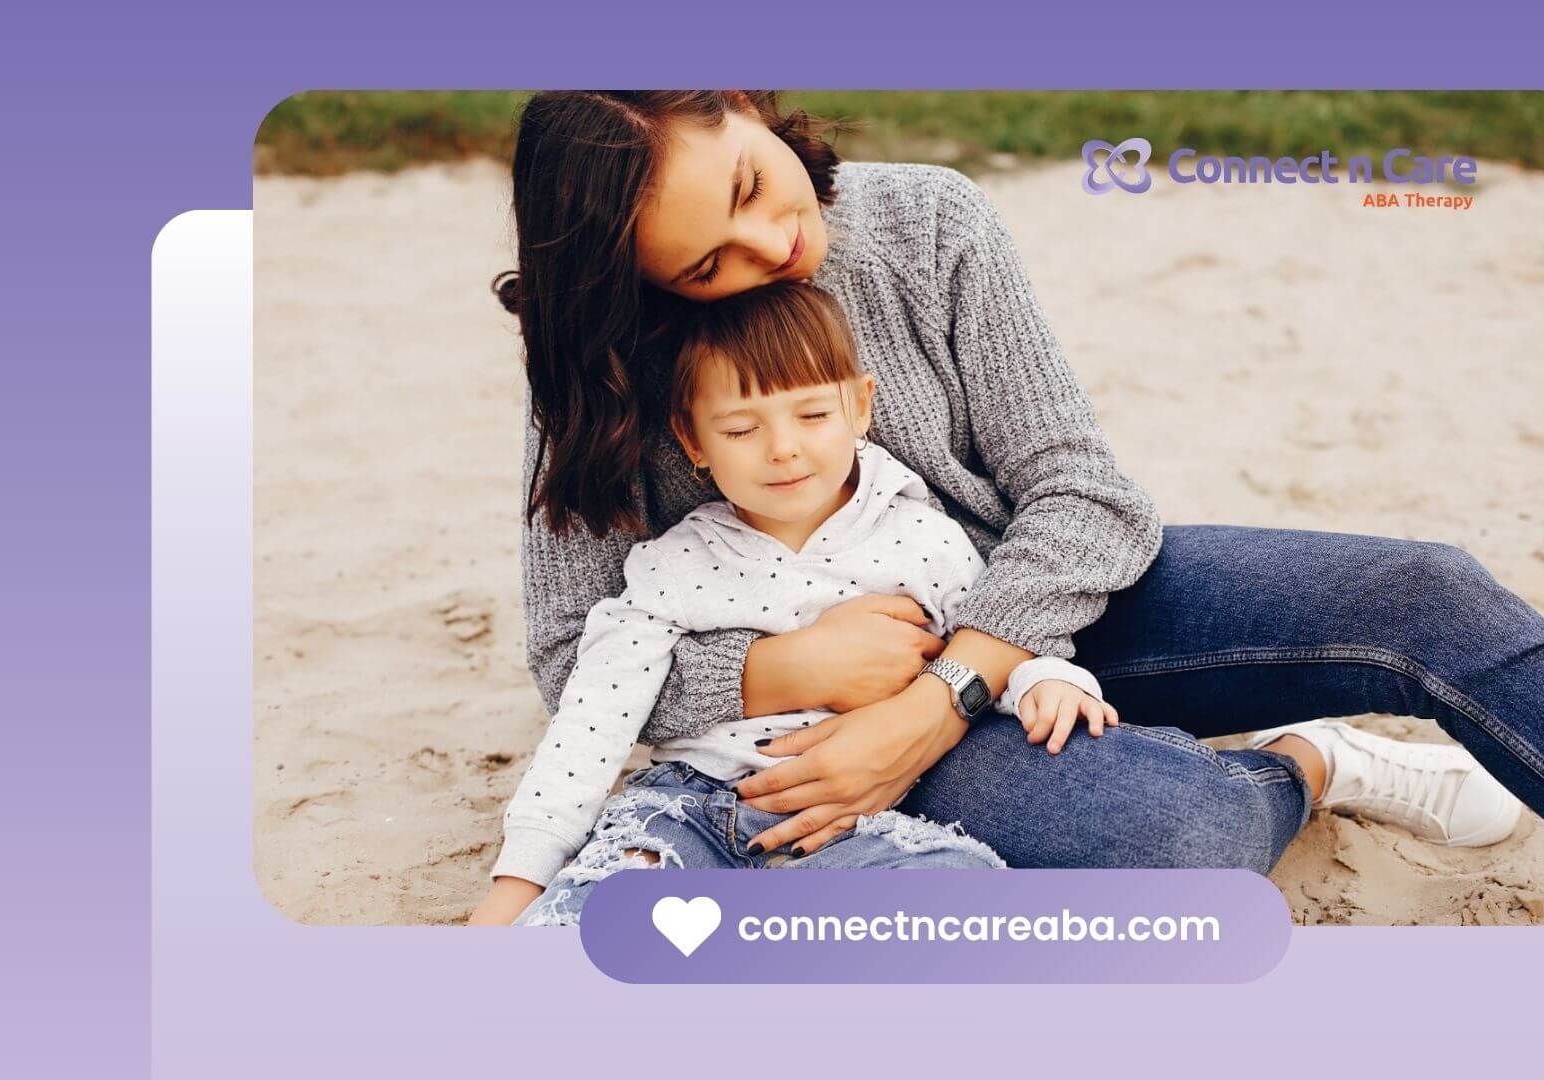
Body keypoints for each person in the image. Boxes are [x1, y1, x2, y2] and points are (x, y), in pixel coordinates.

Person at [495, 91, 1544, 884]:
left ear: (739, 102)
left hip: (1042, 618)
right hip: (832, 728)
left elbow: (1083, 495)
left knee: (1429, 593)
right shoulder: (601, 369)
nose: (770, 243)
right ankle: (1313, 762)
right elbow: (568, 654)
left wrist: (943, 697)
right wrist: (784, 669)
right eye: (705, 266)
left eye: (747, 185)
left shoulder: (930, 221)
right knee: (1180, 838)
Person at [470, 284, 1118, 926]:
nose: (782, 448)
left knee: (960, 887)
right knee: (589, 914)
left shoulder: (924, 541)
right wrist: (520, 876)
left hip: (857, 821)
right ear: (692, 440)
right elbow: (592, 722)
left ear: (859, 407)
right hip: (691, 808)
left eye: (812, 416)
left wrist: (1046, 680)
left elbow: (991, 643)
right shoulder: (672, 567)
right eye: (741, 428)